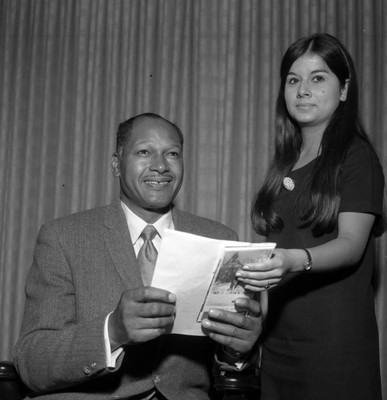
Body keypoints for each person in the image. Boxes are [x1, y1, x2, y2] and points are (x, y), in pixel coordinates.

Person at [13, 113, 262, 400]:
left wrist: (238, 350)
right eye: (144, 152)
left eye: (172, 154)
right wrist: (112, 332)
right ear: (116, 165)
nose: (160, 166)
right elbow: (32, 362)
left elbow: (231, 363)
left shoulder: (220, 240)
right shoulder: (63, 237)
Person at [236, 33, 387, 399]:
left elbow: (351, 245)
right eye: (293, 79)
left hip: (334, 347)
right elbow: (279, 254)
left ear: (344, 89)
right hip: (280, 345)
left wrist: (292, 260)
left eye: (318, 78)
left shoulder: (357, 157)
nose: (303, 90)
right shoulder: (285, 164)